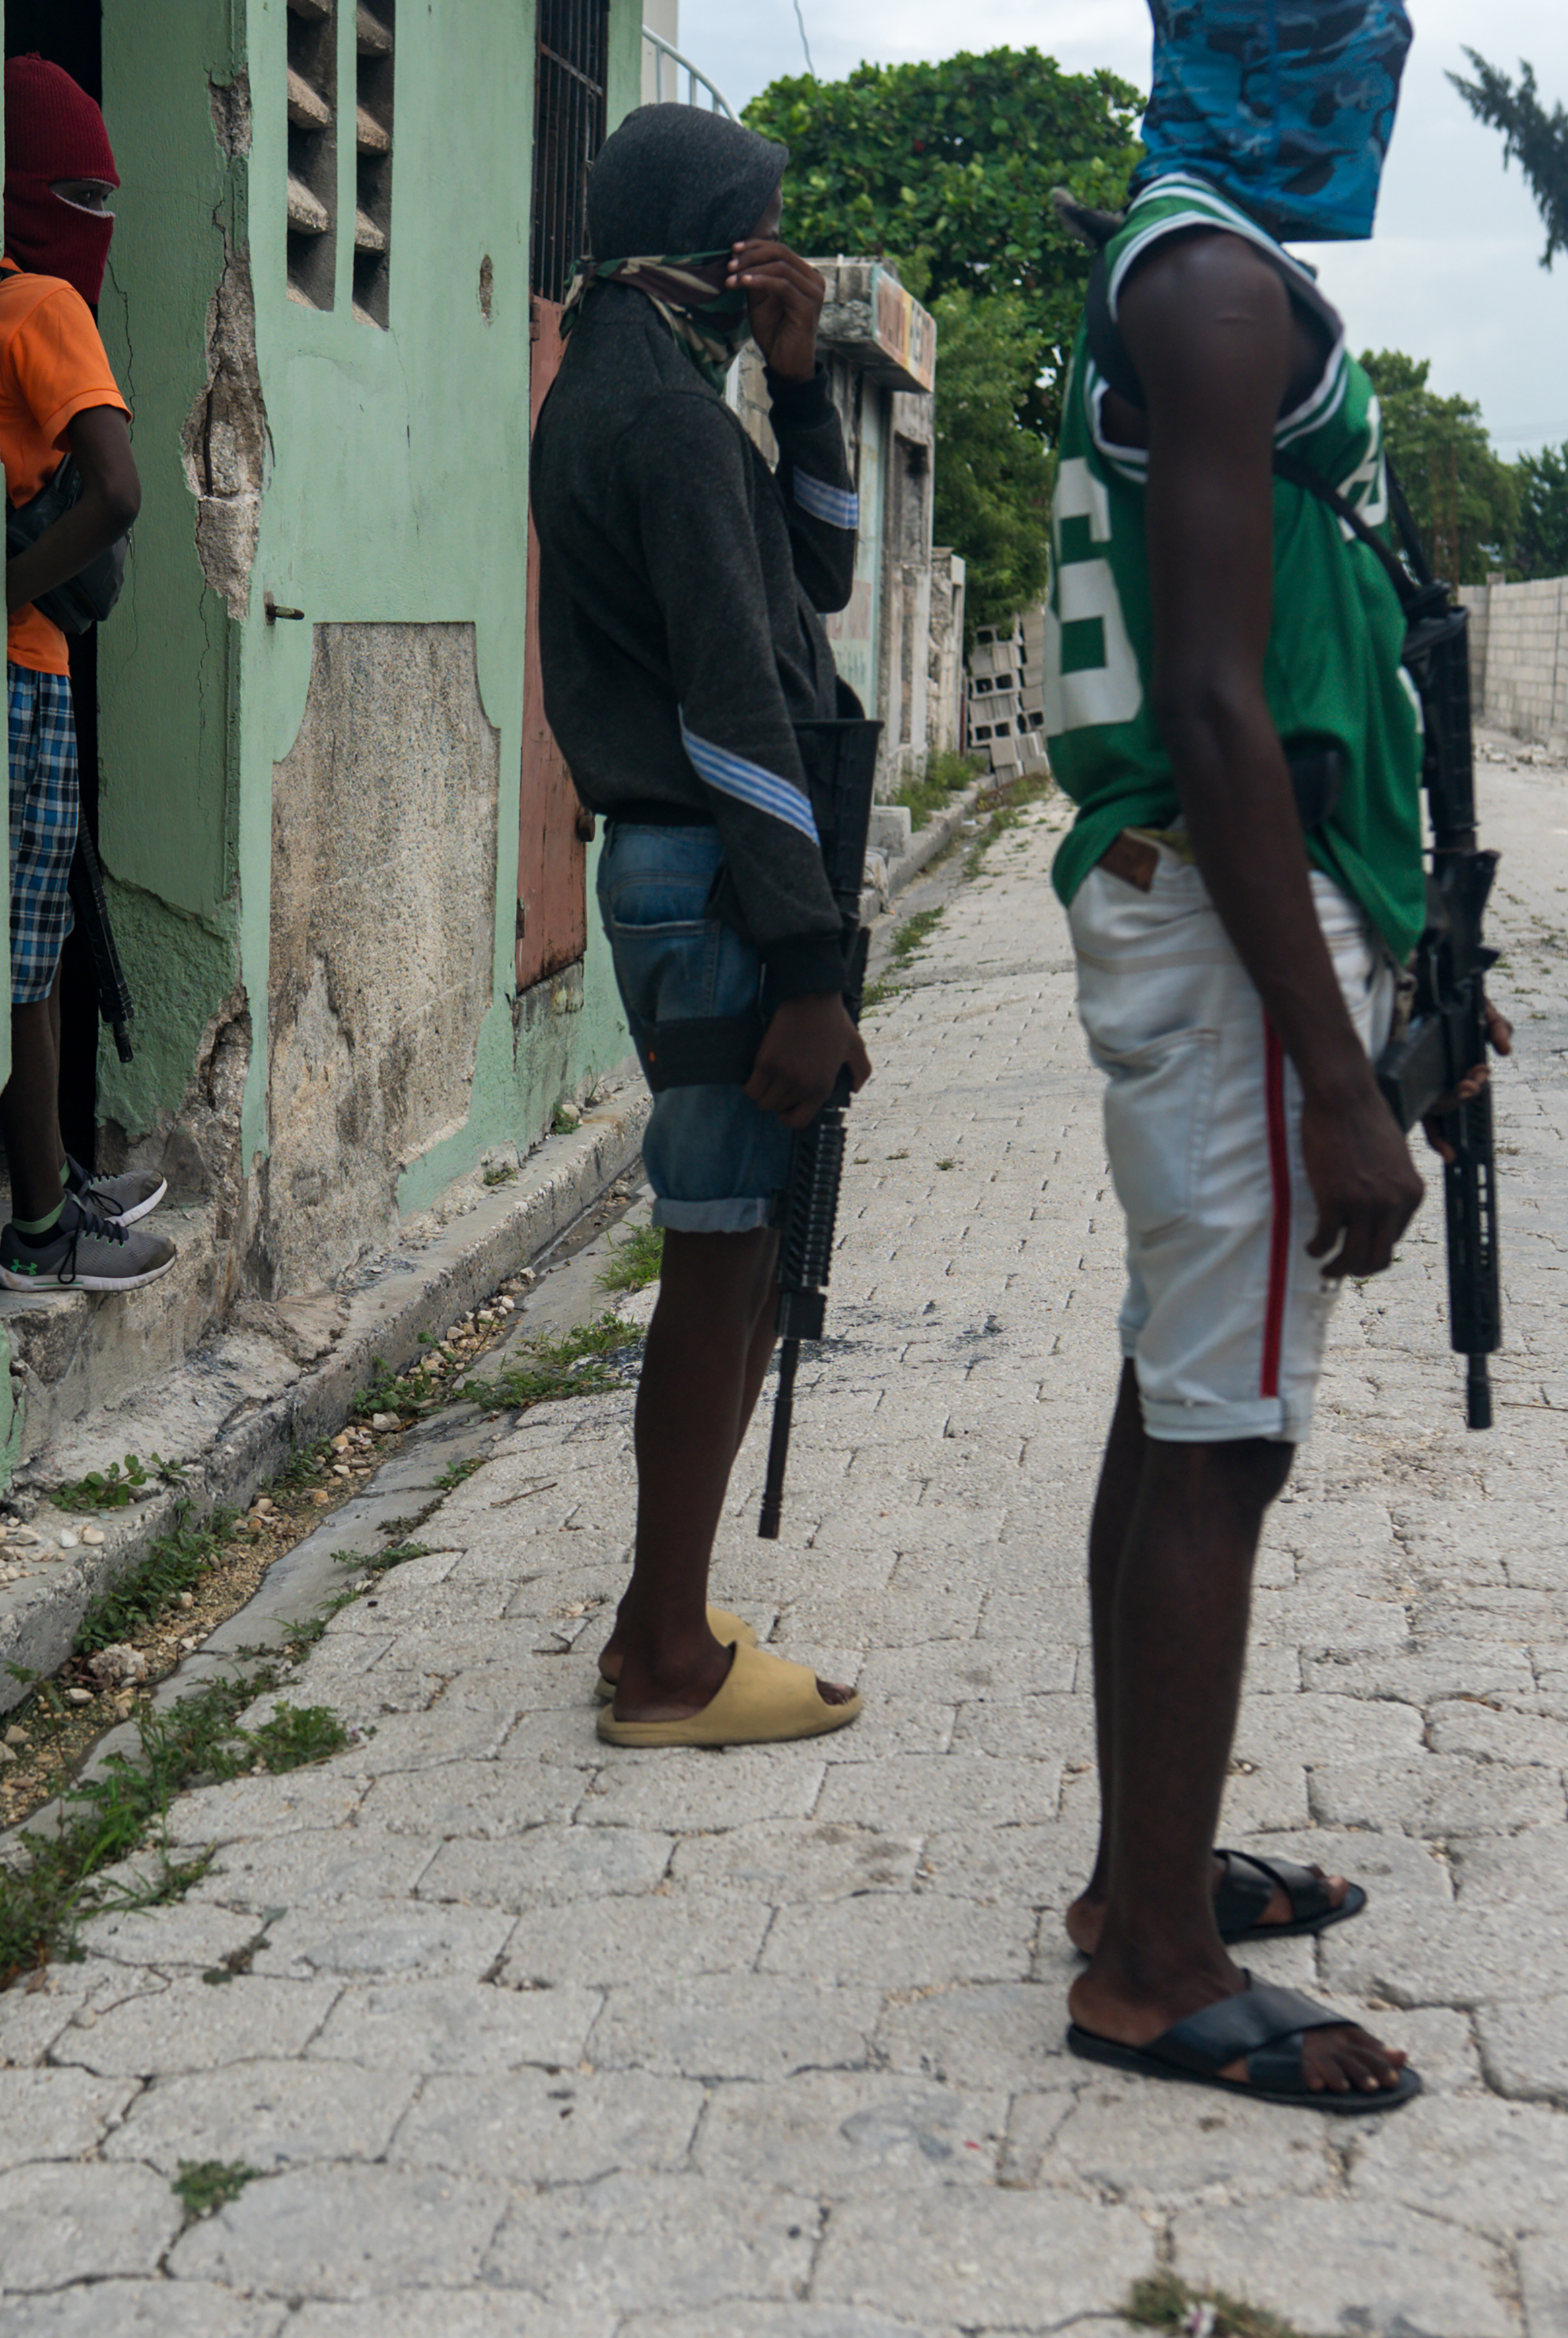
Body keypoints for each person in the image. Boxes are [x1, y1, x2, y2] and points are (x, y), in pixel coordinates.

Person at [1044, 0, 1505, 2112]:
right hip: (1237, 932)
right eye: (1345, 32)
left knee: (1177, 1394)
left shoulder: (1184, 264)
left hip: (1247, 911)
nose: (1375, 72)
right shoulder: (1217, 286)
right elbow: (1221, 705)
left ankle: (1140, 1872)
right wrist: (1332, 1076)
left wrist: (1405, 977)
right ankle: (1152, 1966)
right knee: (1225, 1432)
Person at [530, 105, 873, 1750]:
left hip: (704, 869)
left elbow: (819, 574)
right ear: (718, 244)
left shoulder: (641, 387)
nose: (779, 265)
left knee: (739, 1259)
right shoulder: (660, 420)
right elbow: (736, 702)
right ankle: (671, 1657)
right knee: (723, 1255)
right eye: (766, 236)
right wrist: (806, 966)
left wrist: (797, 387)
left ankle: (652, 1617)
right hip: (721, 877)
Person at [0, 55, 175, 1293]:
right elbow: (121, 491)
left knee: (21, 948)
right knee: (31, 967)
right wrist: (14, 589)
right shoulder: (47, 308)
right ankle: (43, 1231)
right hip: (27, 673)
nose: (99, 222)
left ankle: (51, 1178)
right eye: (83, 195)